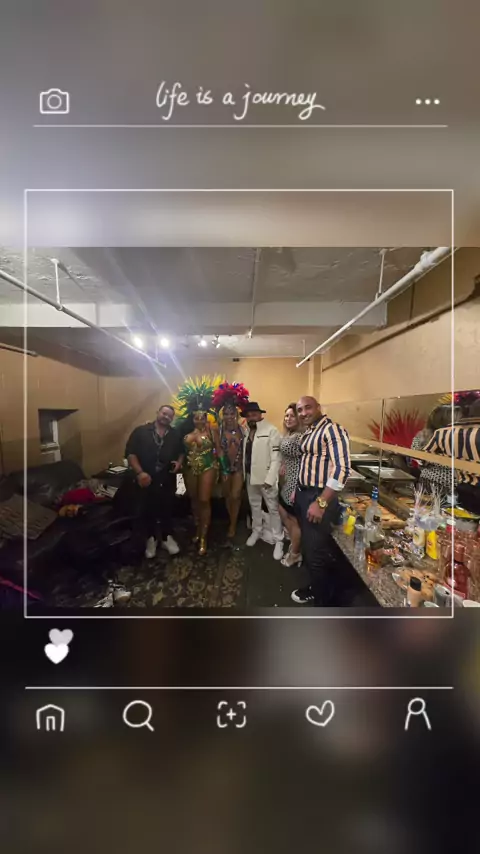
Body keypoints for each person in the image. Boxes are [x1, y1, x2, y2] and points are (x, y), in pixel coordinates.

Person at [291, 396, 351, 606]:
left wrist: (321, 502)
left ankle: (324, 604)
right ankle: (316, 588)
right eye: (300, 410)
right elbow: (308, 462)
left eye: (308, 408)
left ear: (318, 407)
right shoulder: (310, 431)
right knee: (310, 549)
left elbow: (342, 469)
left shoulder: (332, 430)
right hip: (304, 494)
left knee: (317, 554)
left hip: (318, 497)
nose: (303, 413)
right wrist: (297, 489)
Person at [125, 404, 183, 559]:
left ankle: (166, 537)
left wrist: (179, 463)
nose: (166, 417)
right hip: (146, 478)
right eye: (164, 413)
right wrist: (140, 473)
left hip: (166, 478)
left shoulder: (175, 434)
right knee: (147, 509)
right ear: (158, 413)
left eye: (170, 415)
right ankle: (151, 539)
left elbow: (181, 452)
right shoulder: (141, 431)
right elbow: (130, 454)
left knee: (167, 508)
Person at [173, 376, 222, 555]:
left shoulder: (212, 430)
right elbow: (181, 450)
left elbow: (219, 451)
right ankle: (197, 529)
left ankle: (203, 537)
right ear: (192, 418)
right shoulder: (186, 430)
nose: (199, 421)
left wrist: (224, 469)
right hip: (189, 468)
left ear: (206, 417)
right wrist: (179, 462)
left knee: (203, 500)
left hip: (208, 467)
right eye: (196, 418)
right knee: (193, 501)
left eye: (202, 417)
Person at [241, 401, 284, 561]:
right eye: (248, 415)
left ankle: (278, 539)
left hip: (266, 479)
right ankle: (257, 531)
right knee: (255, 506)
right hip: (250, 476)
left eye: (254, 414)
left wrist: (270, 478)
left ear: (260, 415)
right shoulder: (247, 432)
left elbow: (276, 458)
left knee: (273, 509)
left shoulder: (271, 430)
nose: (251, 417)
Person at [422, 398, 480, 515]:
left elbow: (423, 458)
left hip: (462, 487)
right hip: (458, 485)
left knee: (462, 521)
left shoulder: (443, 432)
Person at [212, 381, 250, 540]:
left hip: (239, 468)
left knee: (235, 496)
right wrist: (225, 469)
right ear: (222, 415)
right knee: (227, 496)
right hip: (225, 468)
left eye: (231, 413)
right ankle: (231, 519)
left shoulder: (243, 429)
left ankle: (233, 524)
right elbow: (218, 449)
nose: (229, 417)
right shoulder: (217, 430)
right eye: (226, 414)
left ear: (236, 414)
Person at [410, 404, 461, 494]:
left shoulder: (422, 436)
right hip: (449, 486)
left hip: (426, 480)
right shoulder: (455, 438)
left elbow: (418, 459)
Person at [278, 403, 303, 567]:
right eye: (286, 415)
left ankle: (295, 554)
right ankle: (294, 543)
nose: (288, 418)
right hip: (287, 482)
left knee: (293, 520)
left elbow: (305, 462)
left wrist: (298, 487)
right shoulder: (290, 434)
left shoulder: (301, 437)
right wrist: (283, 464)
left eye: (292, 415)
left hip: (295, 483)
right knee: (283, 511)